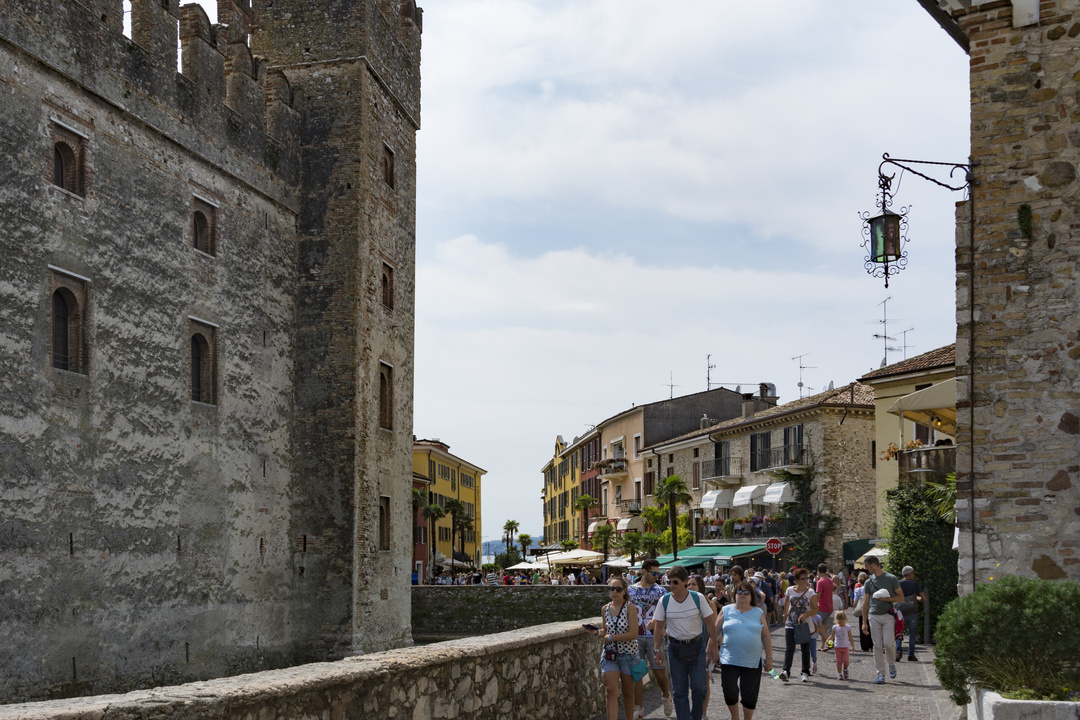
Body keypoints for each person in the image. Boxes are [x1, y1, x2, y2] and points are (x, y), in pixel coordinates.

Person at [652, 565, 718, 720]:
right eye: (669, 582)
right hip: (675, 648)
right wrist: (656, 649)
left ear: (683, 582)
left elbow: (710, 623)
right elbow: (659, 626)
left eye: (674, 582)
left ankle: (696, 716)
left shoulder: (697, 598)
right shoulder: (665, 601)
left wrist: (715, 646)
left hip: (696, 646)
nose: (671, 585)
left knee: (699, 687)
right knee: (679, 691)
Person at [585, 576, 641, 720]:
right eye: (611, 589)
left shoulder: (630, 608)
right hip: (610, 654)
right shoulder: (605, 609)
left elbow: (633, 633)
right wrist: (597, 632)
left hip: (628, 655)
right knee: (610, 691)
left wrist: (612, 637)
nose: (614, 592)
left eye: (617, 589)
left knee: (628, 692)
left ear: (624, 591)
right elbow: (605, 629)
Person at [716, 580, 773, 720]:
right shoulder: (726, 610)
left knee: (749, 695)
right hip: (729, 659)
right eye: (739, 591)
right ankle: (735, 717)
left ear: (751, 596)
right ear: (735, 594)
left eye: (746, 592)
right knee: (729, 691)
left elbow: (766, 636)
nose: (743, 594)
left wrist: (769, 658)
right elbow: (714, 633)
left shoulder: (757, 612)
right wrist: (708, 652)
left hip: (752, 661)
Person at [629, 559, 673, 719]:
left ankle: (666, 695)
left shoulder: (661, 591)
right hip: (636, 637)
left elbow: (667, 611)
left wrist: (660, 622)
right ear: (644, 571)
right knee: (638, 672)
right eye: (654, 573)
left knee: (658, 671)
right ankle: (638, 708)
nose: (657, 576)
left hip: (655, 637)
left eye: (658, 573)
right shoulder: (631, 590)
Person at [860, 555, 904, 684]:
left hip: (888, 615)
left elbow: (900, 597)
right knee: (877, 645)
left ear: (874, 565)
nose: (866, 569)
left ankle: (891, 663)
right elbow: (866, 602)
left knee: (889, 644)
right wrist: (864, 622)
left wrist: (888, 599)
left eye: (867, 566)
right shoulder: (868, 582)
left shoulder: (891, 579)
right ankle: (880, 673)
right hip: (873, 615)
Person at [687, 575, 719, 717]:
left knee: (703, 681)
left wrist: (713, 648)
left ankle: (703, 713)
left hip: (705, 645)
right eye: (688, 585)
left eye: (693, 584)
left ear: (700, 586)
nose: (690, 587)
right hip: (688, 647)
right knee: (692, 683)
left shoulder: (707, 603)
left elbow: (716, 627)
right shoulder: (684, 602)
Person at [779, 568, 817, 683]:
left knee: (805, 649)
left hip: (804, 624)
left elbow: (816, 609)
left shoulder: (810, 592)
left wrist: (806, 614)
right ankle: (786, 671)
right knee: (789, 648)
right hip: (791, 623)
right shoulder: (790, 590)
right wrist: (785, 615)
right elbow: (786, 603)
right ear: (796, 580)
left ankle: (805, 671)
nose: (806, 580)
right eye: (803, 578)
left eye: (807, 578)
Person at [898, 565, 926, 661]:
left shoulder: (898, 583)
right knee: (912, 634)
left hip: (900, 612)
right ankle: (911, 654)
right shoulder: (915, 584)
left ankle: (898, 652)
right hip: (912, 611)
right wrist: (916, 598)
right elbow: (924, 598)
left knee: (898, 632)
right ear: (910, 574)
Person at [825, 610, 854, 680]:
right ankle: (839, 674)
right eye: (839, 622)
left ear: (845, 620)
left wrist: (852, 645)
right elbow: (832, 635)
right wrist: (828, 640)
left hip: (845, 646)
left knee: (846, 661)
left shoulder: (848, 627)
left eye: (842, 622)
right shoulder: (835, 627)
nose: (841, 623)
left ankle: (845, 669)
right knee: (839, 661)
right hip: (837, 647)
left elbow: (850, 637)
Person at [815, 564, 835, 652]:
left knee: (817, 628)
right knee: (823, 628)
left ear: (818, 571)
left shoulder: (821, 582)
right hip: (829, 607)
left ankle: (830, 642)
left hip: (822, 607)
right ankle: (822, 646)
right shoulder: (830, 580)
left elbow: (818, 595)